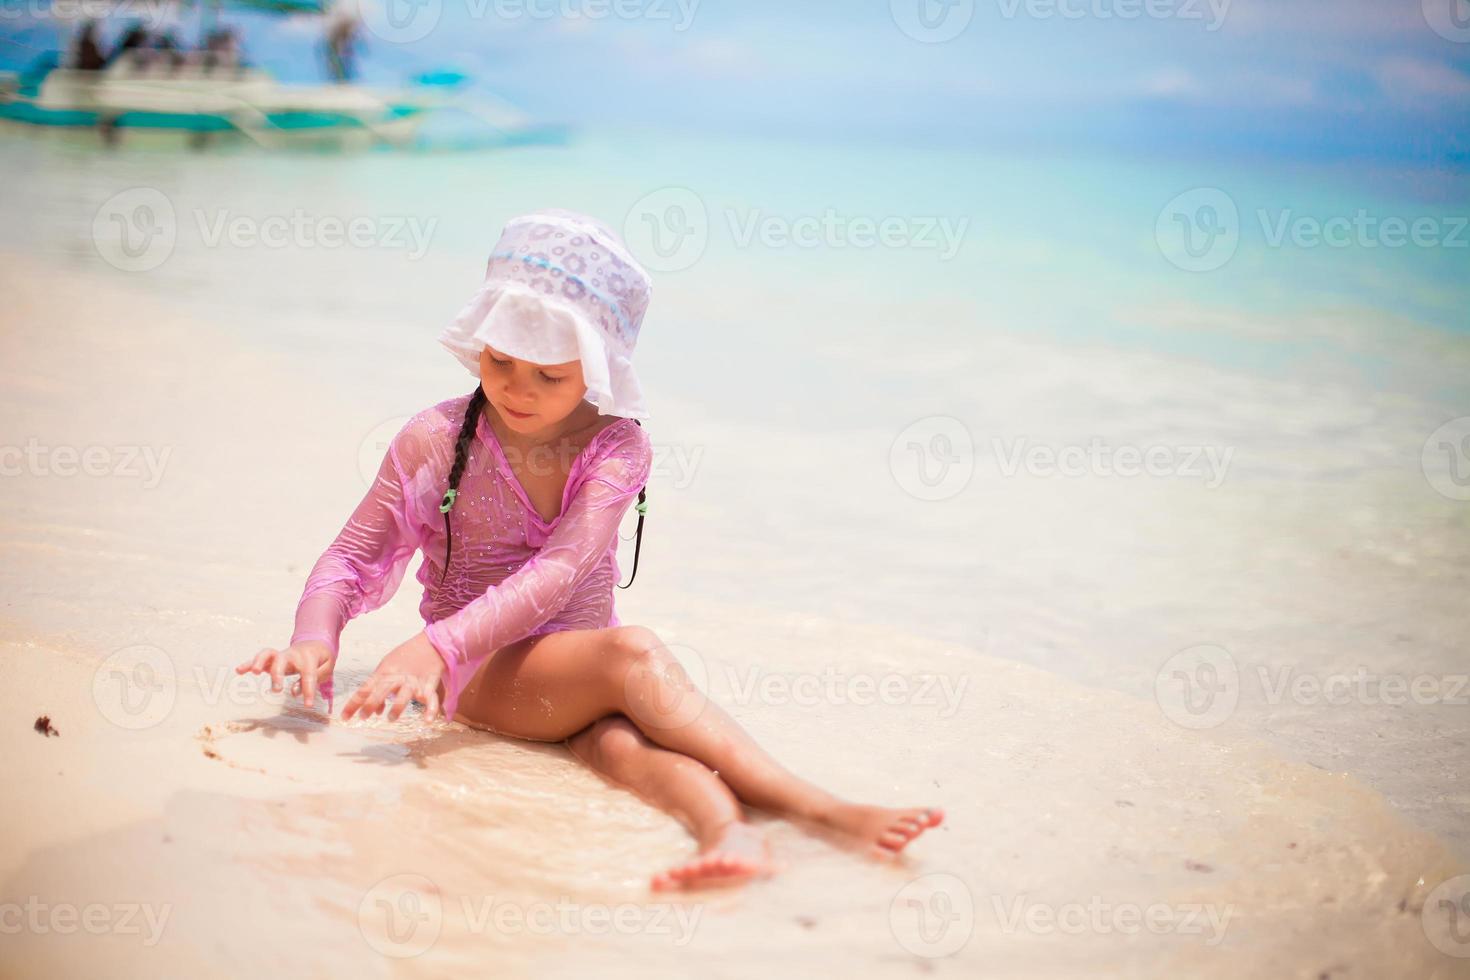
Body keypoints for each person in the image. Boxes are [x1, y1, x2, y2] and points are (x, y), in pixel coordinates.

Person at [235, 209, 943, 891]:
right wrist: (315, 639)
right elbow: (351, 557)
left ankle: (728, 832)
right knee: (631, 655)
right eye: (502, 360)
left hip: (562, 672)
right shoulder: (435, 436)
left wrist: (432, 646)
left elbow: (564, 570)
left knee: (625, 749)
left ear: (597, 368)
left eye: (550, 374)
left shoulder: (616, 444)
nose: (518, 388)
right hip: (476, 673)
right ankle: (824, 810)